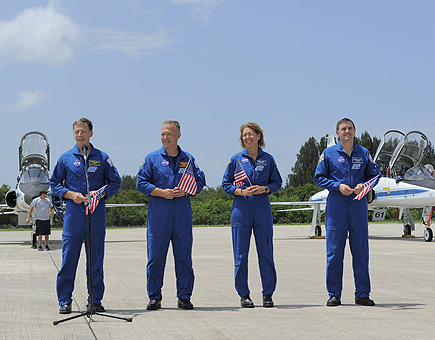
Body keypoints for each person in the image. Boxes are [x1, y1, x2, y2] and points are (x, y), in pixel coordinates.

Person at [50, 118, 121, 314]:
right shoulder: (65, 158)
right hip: (74, 213)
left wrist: (100, 193)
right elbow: (54, 183)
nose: (80, 135)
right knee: (69, 259)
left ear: (91, 133)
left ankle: (95, 300)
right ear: (73, 134)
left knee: (96, 259)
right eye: (76, 132)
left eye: (83, 131)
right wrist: (71, 195)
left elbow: (115, 182)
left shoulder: (103, 157)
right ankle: (65, 300)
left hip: (96, 213)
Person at [136, 120, 206, 310]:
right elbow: (140, 183)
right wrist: (161, 192)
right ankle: (154, 297)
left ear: (178, 136)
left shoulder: (189, 159)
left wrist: (188, 191)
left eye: (169, 134)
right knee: (155, 258)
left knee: (184, 258)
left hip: (182, 216)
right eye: (162, 134)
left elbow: (201, 181)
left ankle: (184, 296)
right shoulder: (151, 159)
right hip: (159, 217)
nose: (165, 137)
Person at [314, 118, 380, 307]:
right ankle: (334, 294)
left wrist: (364, 186)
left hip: (358, 207)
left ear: (355, 131)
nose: (347, 131)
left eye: (350, 128)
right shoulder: (328, 154)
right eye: (343, 129)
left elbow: (375, 175)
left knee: (361, 252)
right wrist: (337, 186)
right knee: (334, 253)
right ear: (337, 133)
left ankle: (362, 294)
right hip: (337, 208)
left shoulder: (364, 152)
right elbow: (318, 177)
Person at [222, 122, 282, 308]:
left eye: (250, 134)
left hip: (262, 209)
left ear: (258, 136)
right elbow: (226, 184)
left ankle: (268, 294)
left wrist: (265, 188)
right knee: (241, 255)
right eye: (244, 135)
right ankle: (244, 294)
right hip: (241, 210)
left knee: (266, 253)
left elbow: (277, 182)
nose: (247, 137)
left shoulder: (269, 159)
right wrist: (239, 192)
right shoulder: (236, 160)